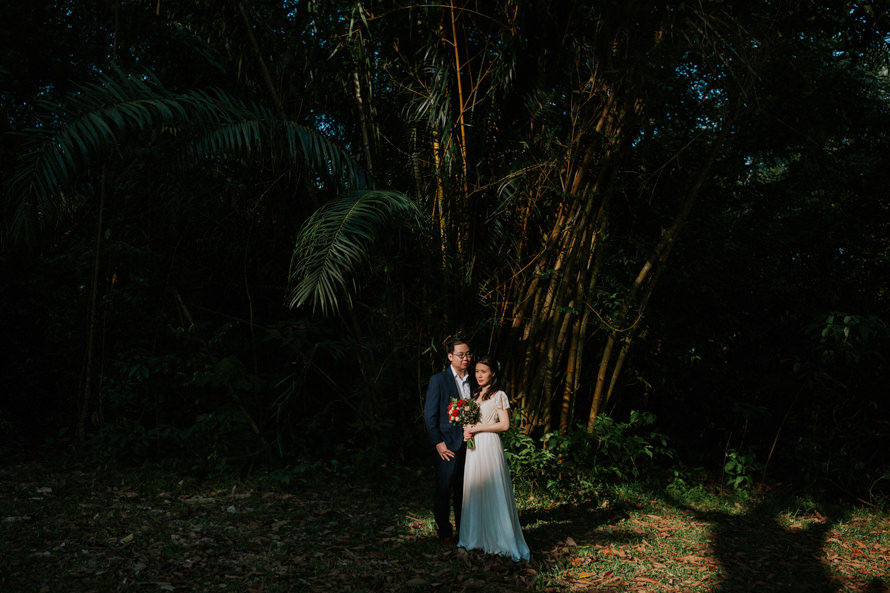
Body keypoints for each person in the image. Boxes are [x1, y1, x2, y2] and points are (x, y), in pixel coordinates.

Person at [458, 355, 530, 562]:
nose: (479, 375)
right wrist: (467, 432)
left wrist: (478, 428)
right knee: (475, 488)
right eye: (477, 371)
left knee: (493, 488)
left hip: (489, 444)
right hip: (474, 449)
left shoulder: (499, 395)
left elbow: (504, 425)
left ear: (493, 374)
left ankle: (500, 538)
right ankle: (477, 537)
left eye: (484, 371)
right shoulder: (474, 395)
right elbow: (471, 422)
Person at [424, 336, 475, 544]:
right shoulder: (439, 380)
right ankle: (445, 532)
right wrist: (438, 442)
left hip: (471, 445)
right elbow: (430, 414)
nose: (466, 358)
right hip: (446, 445)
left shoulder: (475, 380)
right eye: (461, 355)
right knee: (444, 488)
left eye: (468, 354)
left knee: (465, 491)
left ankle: (464, 530)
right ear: (450, 356)